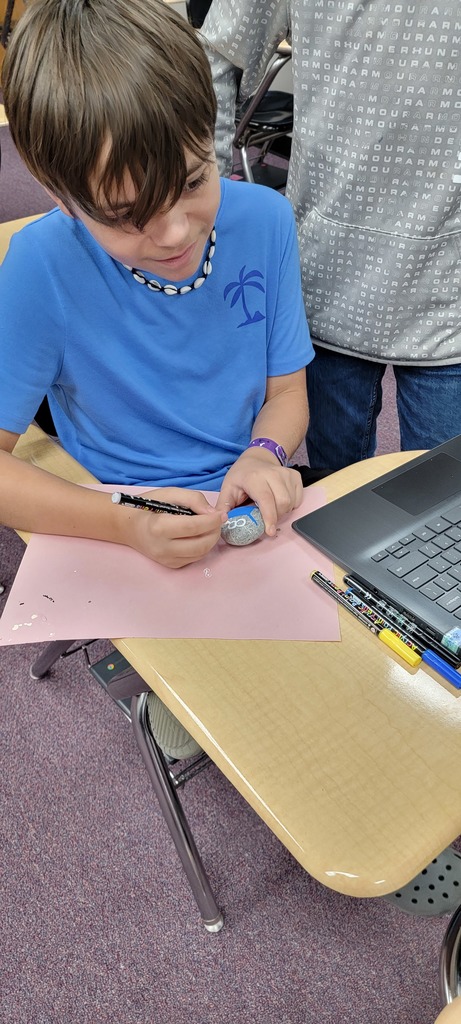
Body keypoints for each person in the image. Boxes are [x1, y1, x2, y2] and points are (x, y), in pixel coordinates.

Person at [0, 0, 313, 757]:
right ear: (56, 192)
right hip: (119, 525)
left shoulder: (264, 223)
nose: (172, 233)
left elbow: (286, 395)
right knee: (230, 730)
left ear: (213, 132)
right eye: (124, 216)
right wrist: (125, 523)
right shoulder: (42, 270)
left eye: (192, 181)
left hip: (250, 510)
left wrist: (263, 456)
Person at [201, 0, 461, 471]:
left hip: (451, 281)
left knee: (445, 512)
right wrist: (207, 203)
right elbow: (216, 55)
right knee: (333, 491)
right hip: (329, 267)